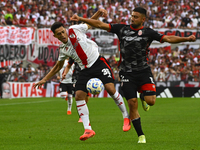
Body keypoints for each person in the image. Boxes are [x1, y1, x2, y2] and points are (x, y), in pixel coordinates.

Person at [70, 7, 196, 143]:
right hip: (126, 73)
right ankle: (141, 136)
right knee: (132, 103)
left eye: (136, 17)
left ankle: (143, 96)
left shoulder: (148, 32)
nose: (132, 18)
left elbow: (168, 38)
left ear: (143, 19)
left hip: (143, 71)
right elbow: (100, 24)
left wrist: (186, 39)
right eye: (132, 16)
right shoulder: (121, 29)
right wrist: (81, 19)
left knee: (151, 101)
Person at [33, 8, 130, 141]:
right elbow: (58, 66)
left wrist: (99, 13)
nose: (62, 35)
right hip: (85, 70)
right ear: (55, 36)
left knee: (110, 89)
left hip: (98, 62)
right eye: (59, 34)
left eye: (62, 31)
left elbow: (90, 23)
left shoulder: (74, 29)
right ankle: (88, 129)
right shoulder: (63, 49)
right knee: (79, 95)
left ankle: (126, 116)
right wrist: (44, 79)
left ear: (65, 30)